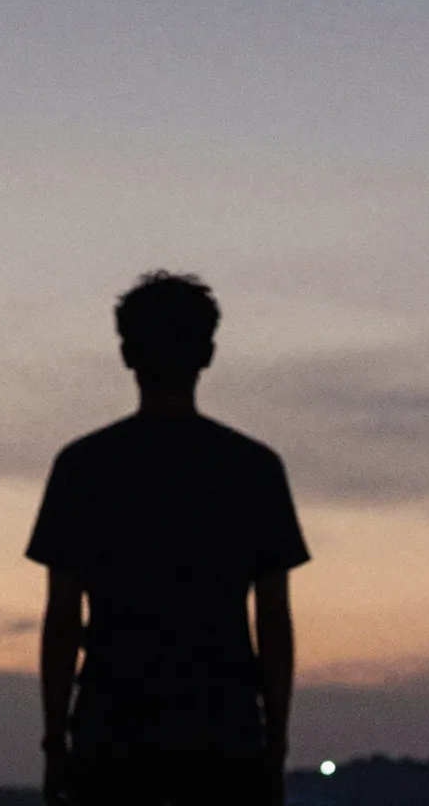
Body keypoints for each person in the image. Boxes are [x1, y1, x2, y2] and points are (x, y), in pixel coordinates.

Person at [27, 272, 312, 806]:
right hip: (223, 738)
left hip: (111, 738)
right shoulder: (252, 469)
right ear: (207, 354)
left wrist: (55, 744)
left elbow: (63, 619)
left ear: (127, 354)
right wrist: (274, 743)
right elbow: (273, 619)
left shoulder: (83, 467)